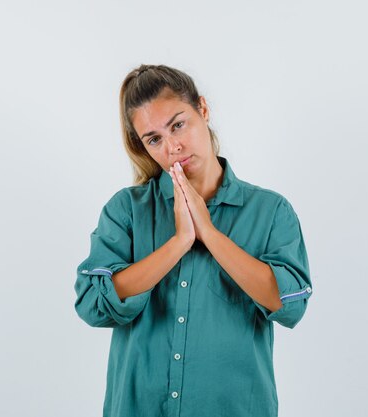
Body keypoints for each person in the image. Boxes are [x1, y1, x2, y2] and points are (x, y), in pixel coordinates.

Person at [74, 64, 313, 417]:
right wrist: (179, 243)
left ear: (202, 109)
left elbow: (290, 303)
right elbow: (92, 304)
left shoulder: (270, 211)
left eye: (178, 124)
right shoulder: (126, 210)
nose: (172, 147)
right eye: (154, 139)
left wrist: (210, 234)